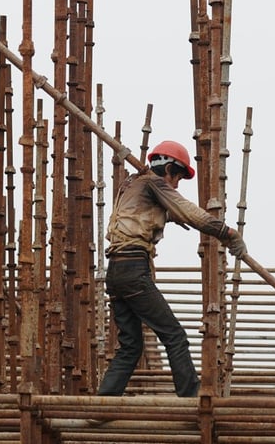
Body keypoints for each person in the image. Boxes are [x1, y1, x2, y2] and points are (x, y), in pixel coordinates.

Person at [97, 139, 246, 398]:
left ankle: (101, 404)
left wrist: (169, 213)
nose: (176, 185)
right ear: (168, 169)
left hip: (116, 272)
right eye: (177, 178)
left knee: (130, 346)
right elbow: (190, 212)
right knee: (174, 335)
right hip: (133, 270)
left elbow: (160, 212)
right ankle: (191, 398)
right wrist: (227, 233)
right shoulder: (154, 182)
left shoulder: (132, 183)